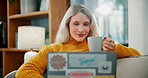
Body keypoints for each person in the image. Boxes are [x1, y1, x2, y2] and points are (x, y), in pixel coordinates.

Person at [15, 4, 141, 78]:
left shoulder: (100, 46)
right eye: (76, 24)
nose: (81, 29)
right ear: (67, 25)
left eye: (86, 24)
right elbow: (24, 71)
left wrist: (114, 48)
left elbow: (137, 56)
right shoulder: (52, 49)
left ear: (90, 26)